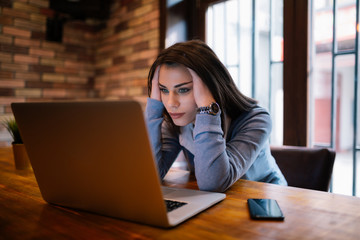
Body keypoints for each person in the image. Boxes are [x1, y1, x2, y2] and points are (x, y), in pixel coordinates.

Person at [145, 40, 287, 192]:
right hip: (219, 203)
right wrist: (154, 109)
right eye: (163, 90)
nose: (171, 103)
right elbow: (149, 176)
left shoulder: (257, 119)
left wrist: (207, 109)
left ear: (210, 87)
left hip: (267, 200)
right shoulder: (178, 119)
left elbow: (213, 183)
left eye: (184, 90)